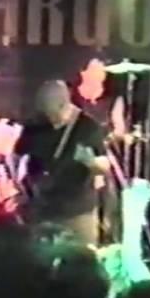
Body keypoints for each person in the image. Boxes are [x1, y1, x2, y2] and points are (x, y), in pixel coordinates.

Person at [16, 80, 110, 245]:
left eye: (52, 113)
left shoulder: (87, 127)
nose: (49, 119)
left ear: (64, 105)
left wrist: (91, 162)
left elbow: (104, 166)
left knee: (80, 263)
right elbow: (18, 155)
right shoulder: (35, 126)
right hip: (43, 210)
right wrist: (23, 185)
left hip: (77, 212)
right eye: (45, 113)